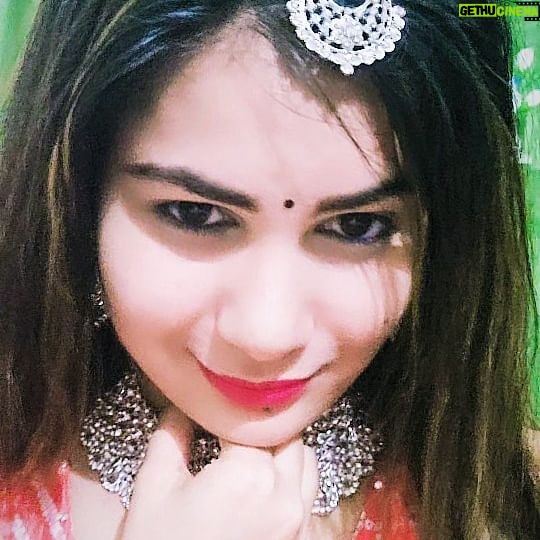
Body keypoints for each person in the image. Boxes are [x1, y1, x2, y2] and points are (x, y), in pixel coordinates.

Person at [0, 0, 539, 538]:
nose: (266, 336)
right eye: (196, 215)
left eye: (356, 226)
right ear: (77, 206)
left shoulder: (514, 500)